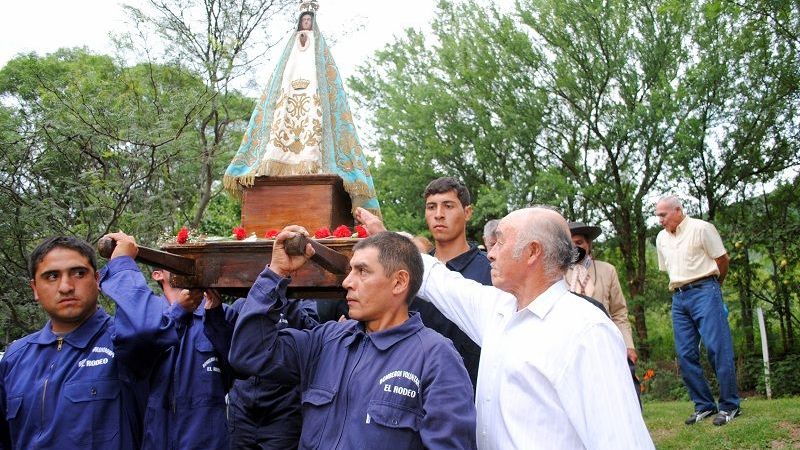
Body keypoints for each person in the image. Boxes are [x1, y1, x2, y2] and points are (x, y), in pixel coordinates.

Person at [355, 206, 654, 449]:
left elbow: (622, 440)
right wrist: (387, 237)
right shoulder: (498, 310)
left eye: (500, 241)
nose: (491, 252)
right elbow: (439, 281)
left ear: (532, 252)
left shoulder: (586, 331)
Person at [228, 228, 477, 449]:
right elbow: (250, 354)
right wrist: (276, 274)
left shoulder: (436, 357)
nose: (347, 282)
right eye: (350, 271)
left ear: (399, 282)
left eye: (362, 272)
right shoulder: (326, 341)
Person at [0, 235, 172, 449]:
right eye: (52, 276)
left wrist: (121, 265)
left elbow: (147, 329)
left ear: (97, 280)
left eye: (79, 273)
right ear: (35, 288)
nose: (66, 287)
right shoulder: (15, 358)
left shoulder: (122, 344)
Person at [224, 6, 381, 218]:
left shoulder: (320, 52)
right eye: (303, 20)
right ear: (300, 22)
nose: (306, 24)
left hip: (314, 100)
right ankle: (277, 159)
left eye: (309, 21)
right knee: (281, 117)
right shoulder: (289, 53)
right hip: (288, 95)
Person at [98, 234, 233, 449]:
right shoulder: (141, 321)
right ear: (158, 273)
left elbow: (237, 371)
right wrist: (179, 313)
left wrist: (215, 316)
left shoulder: (220, 315)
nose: (188, 264)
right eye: (177, 259)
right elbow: (140, 346)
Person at [655, 195, 740, 426]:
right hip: (679, 297)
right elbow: (670, 270)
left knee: (717, 348)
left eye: (663, 215)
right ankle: (704, 405)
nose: (660, 220)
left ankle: (730, 406)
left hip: (705, 290)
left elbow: (723, 260)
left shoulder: (702, 228)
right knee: (685, 354)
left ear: (678, 210)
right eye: (657, 216)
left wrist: (715, 288)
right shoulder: (661, 238)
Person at [412, 176, 492, 390]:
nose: (438, 214)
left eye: (448, 206)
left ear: (467, 212)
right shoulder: (411, 271)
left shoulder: (492, 273)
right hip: (414, 392)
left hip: (469, 395)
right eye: (431, 207)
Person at [566, 221, 638, 363]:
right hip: (569, 345)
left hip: (603, 342)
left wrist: (628, 345)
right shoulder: (556, 274)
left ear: (588, 245)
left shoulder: (607, 270)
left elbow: (619, 312)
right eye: (571, 244)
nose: (575, 247)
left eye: (579, 242)